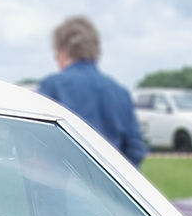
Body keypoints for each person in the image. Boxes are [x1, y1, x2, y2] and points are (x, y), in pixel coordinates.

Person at [37, 16, 146, 166]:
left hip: (65, 183)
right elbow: (135, 150)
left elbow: (37, 144)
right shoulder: (120, 93)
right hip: (109, 185)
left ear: (63, 50)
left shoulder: (53, 87)